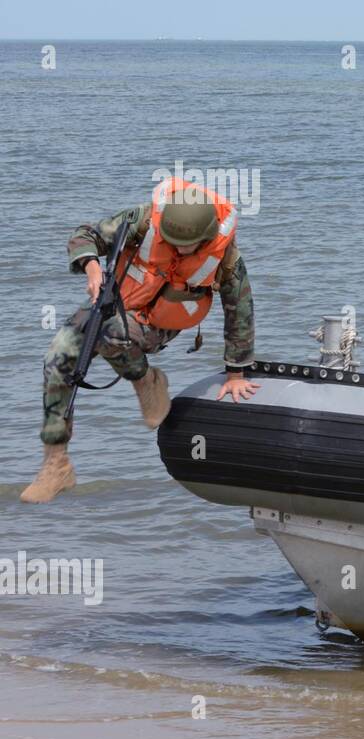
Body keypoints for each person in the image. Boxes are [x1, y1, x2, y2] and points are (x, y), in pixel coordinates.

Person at [22, 179, 258, 503]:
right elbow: (84, 235)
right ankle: (56, 462)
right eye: (171, 242)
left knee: (113, 333)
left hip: (157, 324)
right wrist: (91, 267)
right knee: (57, 358)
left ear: (205, 238)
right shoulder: (143, 220)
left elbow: (240, 310)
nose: (178, 250)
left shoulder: (225, 255)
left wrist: (235, 373)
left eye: (186, 246)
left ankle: (146, 379)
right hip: (112, 304)